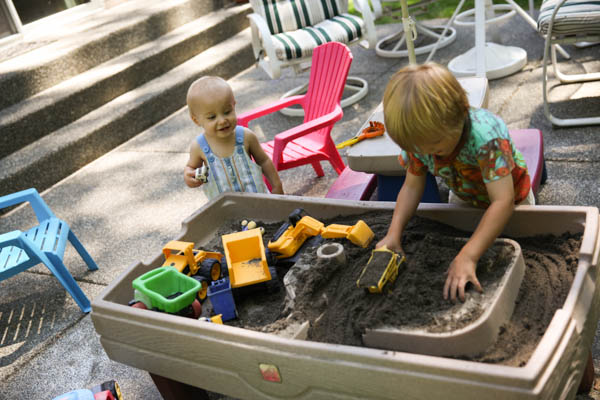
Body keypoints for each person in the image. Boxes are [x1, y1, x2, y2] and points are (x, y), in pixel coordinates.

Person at [377, 62, 534, 303]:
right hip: (465, 197)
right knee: (470, 239)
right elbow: (411, 186)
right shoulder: (422, 142)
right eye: (418, 149)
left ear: (458, 117)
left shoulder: (486, 138)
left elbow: (503, 202)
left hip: (513, 200)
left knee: (523, 251)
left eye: (436, 148)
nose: (427, 154)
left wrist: (468, 256)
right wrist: (393, 233)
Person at [183, 76, 284, 198]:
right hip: (226, 208)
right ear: (196, 120)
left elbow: (264, 161)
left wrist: (276, 185)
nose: (222, 120)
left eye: (227, 112)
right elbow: (191, 168)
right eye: (212, 117)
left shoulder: (246, 136)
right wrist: (189, 176)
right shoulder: (199, 146)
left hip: (259, 201)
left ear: (233, 106)